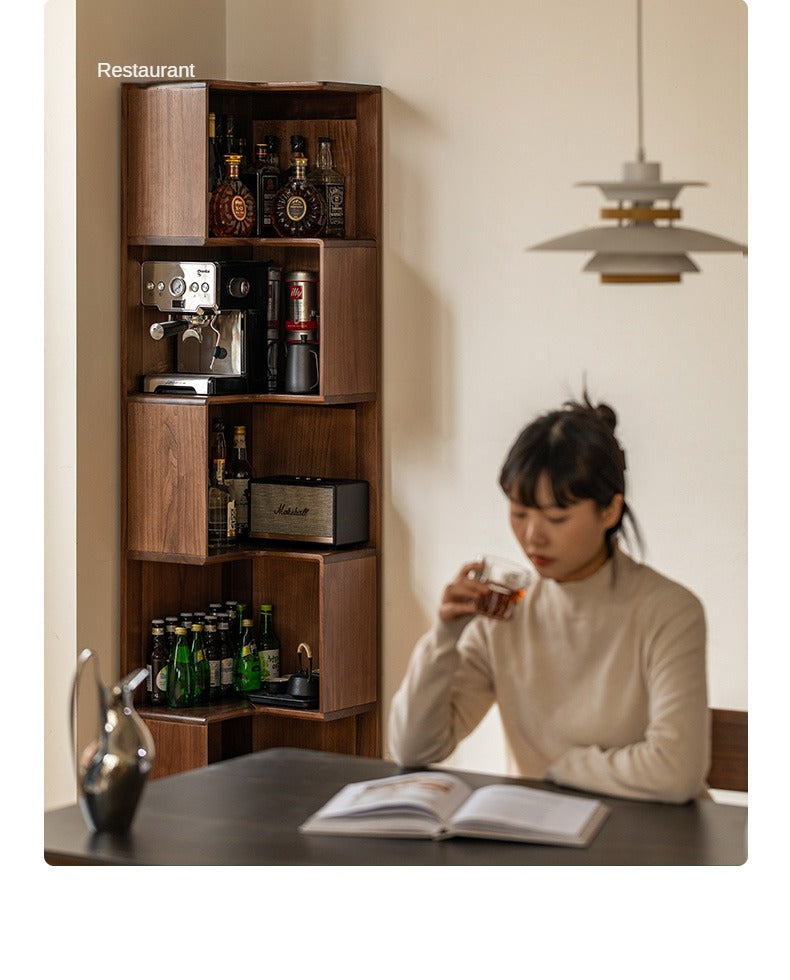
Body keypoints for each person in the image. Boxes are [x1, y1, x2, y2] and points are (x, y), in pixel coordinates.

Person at [387, 393, 710, 803]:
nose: (532, 536)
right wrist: (445, 636)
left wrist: (560, 769)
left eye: (557, 518)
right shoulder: (507, 609)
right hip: (547, 838)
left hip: (653, 846)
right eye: (519, 513)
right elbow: (414, 748)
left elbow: (675, 772)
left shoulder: (668, 611)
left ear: (609, 511)